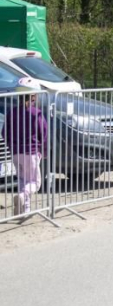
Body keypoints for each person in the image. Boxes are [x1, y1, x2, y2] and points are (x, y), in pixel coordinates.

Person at [3, 78, 48, 216]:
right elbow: (44, 133)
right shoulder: (37, 113)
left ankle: (26, 209)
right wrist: (44, 151)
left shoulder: (12, 112)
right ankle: (23, 197)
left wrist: (12, 145)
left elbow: (4, 132)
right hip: (32, 152)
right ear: (34, 96)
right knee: (35, 182)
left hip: (16, 153)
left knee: (23, 179)